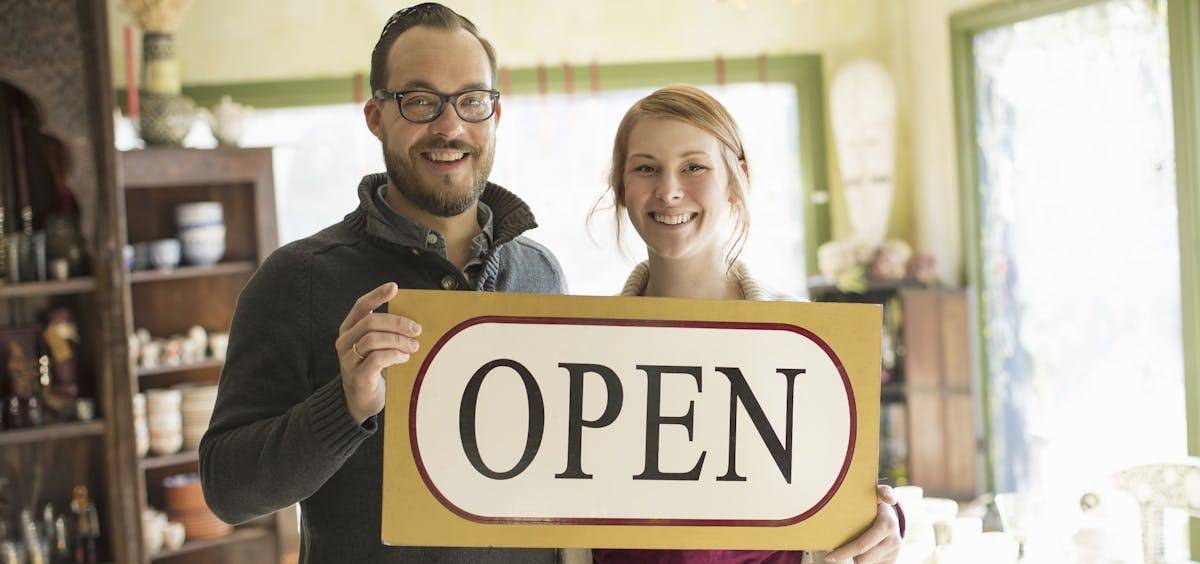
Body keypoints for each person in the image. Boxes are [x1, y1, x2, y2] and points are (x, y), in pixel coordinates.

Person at [197, 4, 565, 563]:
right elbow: (227, 492)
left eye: (471, 100)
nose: (450, 126)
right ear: (375, 117)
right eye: (419, 100)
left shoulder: (541, 274)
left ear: (494, 114)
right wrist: (345, 406)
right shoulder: (297, 279)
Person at [580, 85, 903, 564]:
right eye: (645, 168)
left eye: (694, 166)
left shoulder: (809, 343)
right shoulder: (582, 350)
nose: (669, 190)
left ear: (736, 179)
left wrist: (882, 524)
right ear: (620, 186)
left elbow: (845, 500)